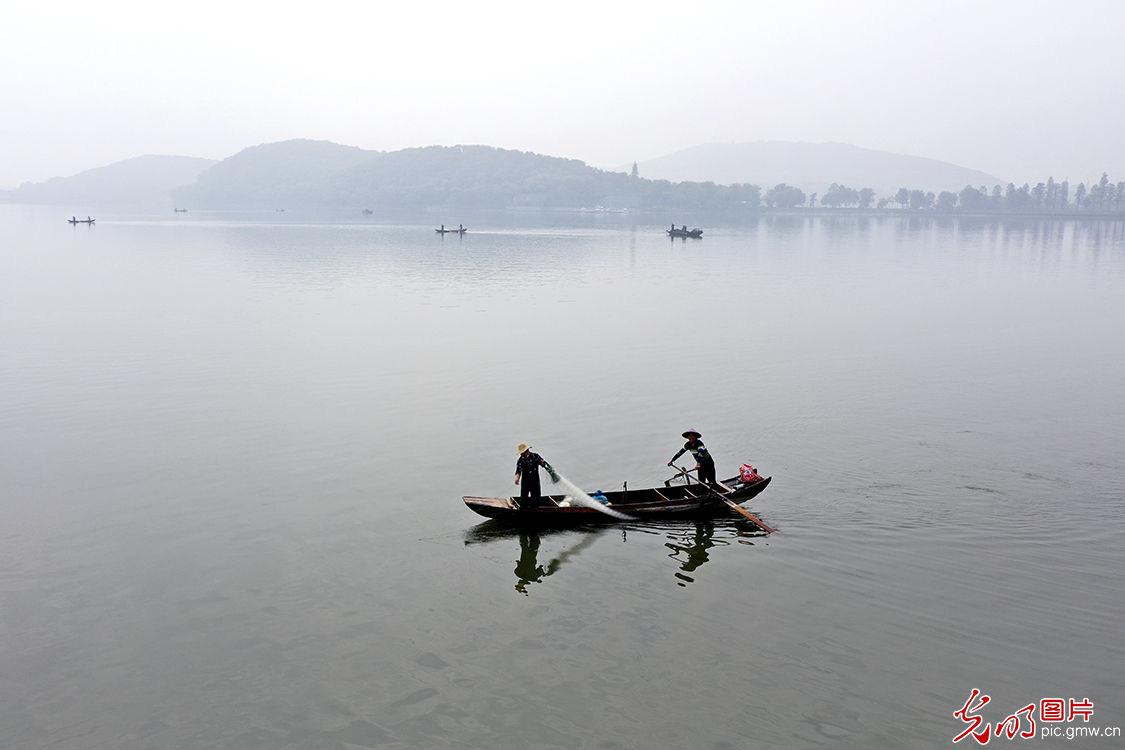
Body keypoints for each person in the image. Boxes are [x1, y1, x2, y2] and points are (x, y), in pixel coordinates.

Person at [515, 443, 551, 508]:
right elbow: (518, 471)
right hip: (525, 481)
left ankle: (535, 509)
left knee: (536, 497)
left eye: (522, 453)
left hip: (535, 480)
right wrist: (517, 479)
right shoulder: (520, 460)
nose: (521, 454)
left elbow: (542, 463)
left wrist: (543, 463)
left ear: (526, 451)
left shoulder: (535, 456)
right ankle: (523, 510)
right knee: (524, 497)